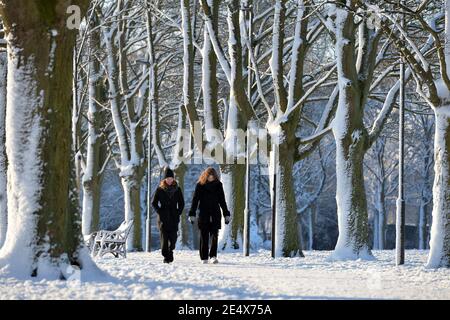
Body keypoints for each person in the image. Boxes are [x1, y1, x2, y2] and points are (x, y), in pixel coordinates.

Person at [189, 167, 231, 264]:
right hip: (203, 214)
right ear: (206, 175)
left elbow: (222, 201)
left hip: (215, 213)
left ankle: (213, 256)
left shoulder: (219, 185)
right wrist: (192, 213)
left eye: (212, 176)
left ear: (215, 176)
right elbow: (195, 200)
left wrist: (226, 214)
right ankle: (204, 257)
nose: (211, 177)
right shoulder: (200, 185)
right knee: (204, 236)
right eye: (209, 176)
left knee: (214, 236)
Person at [152, 167, 184, 264]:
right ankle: (166, 255)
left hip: (174, 217)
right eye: (168, 178)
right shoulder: (160, 189)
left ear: (173, 179)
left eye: (171, 178)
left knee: (173, 239)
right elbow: (154, 203)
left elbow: (182, 203)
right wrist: (159, 211)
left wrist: (178, 212)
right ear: (164, 179)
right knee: (164, 239)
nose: (170, 180)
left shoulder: (178, 189)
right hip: (163, 218)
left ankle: (171, 250)